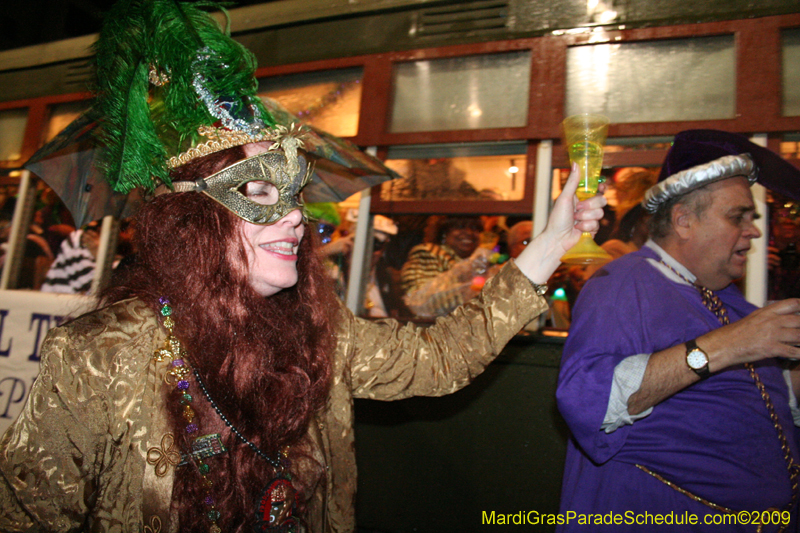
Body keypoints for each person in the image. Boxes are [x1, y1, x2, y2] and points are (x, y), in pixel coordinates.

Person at [0, 1, 606, 532]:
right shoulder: (96, 355)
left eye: (292, 197)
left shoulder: (320, 332)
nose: (294, 218)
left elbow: (441, 359)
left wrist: (550, 243)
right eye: (260, 196)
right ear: (191, 226)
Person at [556, 129, 800, 531]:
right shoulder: (621, 284)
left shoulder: (727, 298)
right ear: (684, 221)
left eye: (752, 218)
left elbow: (768, 396)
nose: (754, 230)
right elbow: (588, 400)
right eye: (737, 216)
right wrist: (730, 344)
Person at [400, 216, 494, 317]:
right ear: (444, 232)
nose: (469, 233)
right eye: (460, 227)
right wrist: (469, 281)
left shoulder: (484, 261)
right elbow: (420, 302)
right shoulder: (430, 252)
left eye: (475, 228)